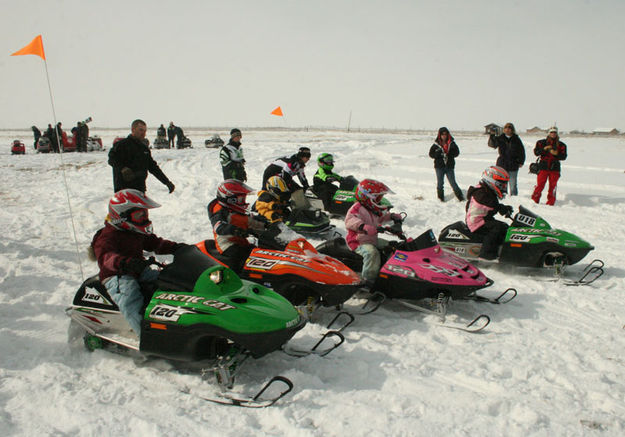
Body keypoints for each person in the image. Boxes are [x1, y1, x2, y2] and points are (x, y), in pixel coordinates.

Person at [90, 189, 183, 335]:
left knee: (170, 280)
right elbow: (106, 258)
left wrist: (176, 248)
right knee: (131, 302)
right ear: (121, 216)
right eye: (139, 215)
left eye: (145, 214)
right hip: (118, 276)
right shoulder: (107, 236)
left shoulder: (134, 231)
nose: (144, 218)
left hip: (139, 269)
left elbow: (153, 243)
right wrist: (124, 262)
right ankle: (146, 340)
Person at [344, 179, 402, 288]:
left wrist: (392, 216)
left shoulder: (372, 209)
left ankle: (389, 273)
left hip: (371, 239)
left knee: (392, 247)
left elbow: (381, 218)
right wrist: (363, 226)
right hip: (357, 241)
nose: (380, 200)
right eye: (377, 197)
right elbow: (350, 221)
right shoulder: (356, 208)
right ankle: (367, 281)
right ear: (366, 197)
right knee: (372, 253)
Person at [207, 179, 266, 273]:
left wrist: (268, 223)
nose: (244, 202)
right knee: (241, 263)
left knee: (262, 254)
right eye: (241, 199)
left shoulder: (234, 210)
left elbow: (251, 220)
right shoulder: (219, 211)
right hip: (227, 246)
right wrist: (236, 230)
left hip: (242, 243)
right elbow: (218, 227)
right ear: (231, 199)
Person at [108, 119, 175, 194]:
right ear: (133, 130)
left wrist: (167, 182)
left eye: (145, 131)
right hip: (123, 190)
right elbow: (111, 159)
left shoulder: (144, 149)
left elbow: (153, 168)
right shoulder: (121, 145)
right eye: (141, 130)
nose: (143, 133)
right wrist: (122, 168)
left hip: (140, 189)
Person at [465, 166, 514, 260]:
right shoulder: (480, 192)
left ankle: (501, 250)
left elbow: (493, 205)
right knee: (496, 228)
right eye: (501, 184)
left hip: (483, 219)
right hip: (476, 222)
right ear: (492, 181)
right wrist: (500, 208)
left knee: (504, 227)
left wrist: (502, 208)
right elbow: (489, 203)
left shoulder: (487, 190)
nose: (503, 187)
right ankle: (486, 254)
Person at [531, 127, 567, 205]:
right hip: (543, 167)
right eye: (551, 132)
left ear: (557, 133)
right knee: (540, 185)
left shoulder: (561, 145)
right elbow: (536, 152)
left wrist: (556, 154)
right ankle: (534, 200)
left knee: (553, 187)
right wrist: (544, 149)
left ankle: (551, 202)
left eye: (554, 132)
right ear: (548, 133)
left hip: (555, 168)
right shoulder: (541, 142)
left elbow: (564, 157)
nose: (553, 134)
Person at [488, 122, 525, 196]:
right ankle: (502, 197)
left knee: (513, 184)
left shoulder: (516, 139)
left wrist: (521, 161)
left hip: (513, 164)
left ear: (512, 130)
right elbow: (492, 144)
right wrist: (492, 135)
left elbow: (521, 151)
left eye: (509, 128)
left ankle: (514, 198)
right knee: (501, 183)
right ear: (504, 129)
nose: (508, 129)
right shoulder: (500, 138)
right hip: (502, 164)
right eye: (506, 128)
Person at [428, 127, 464, 201]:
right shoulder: (436, 144)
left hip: (449, 166)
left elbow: (457, 153)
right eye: (442, 134)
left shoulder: (452, 143)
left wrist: (451, 153)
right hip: (439, 167)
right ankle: (440, 198)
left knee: (453, 182)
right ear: (439, 135)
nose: (444, 136)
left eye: (445, 134)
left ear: (448, 135)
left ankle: (461, 197)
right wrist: (437, 154)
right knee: (440, 183)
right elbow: (431, 154)